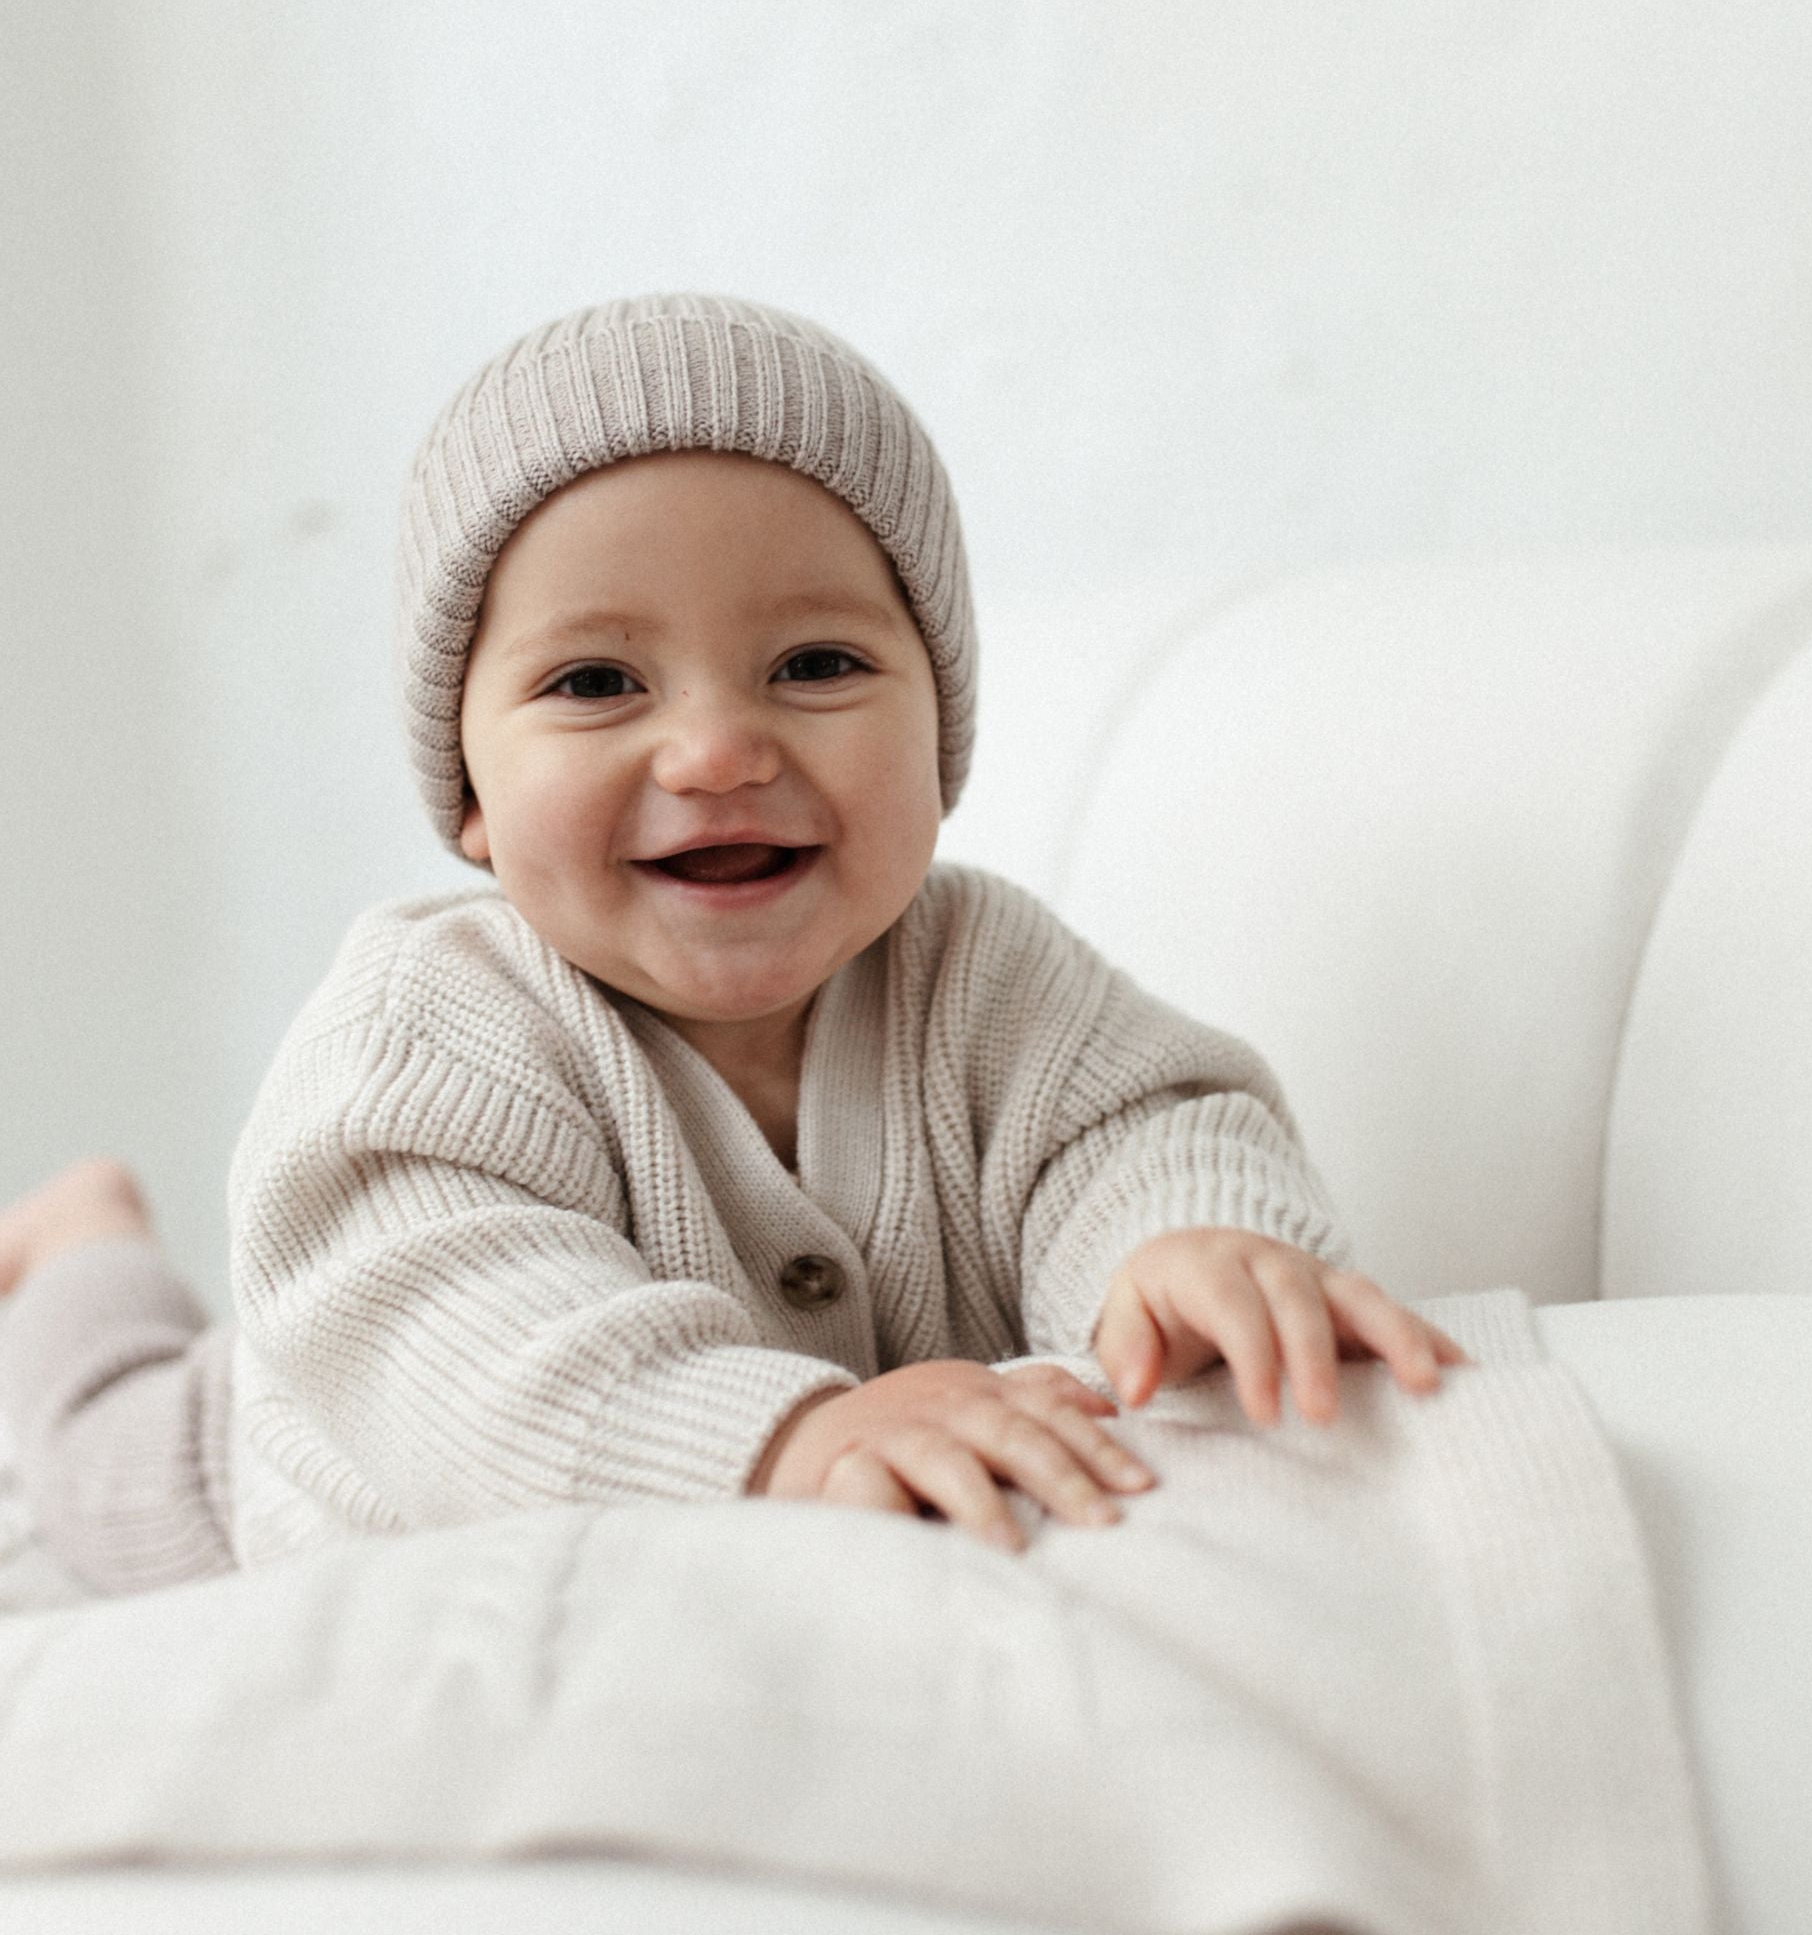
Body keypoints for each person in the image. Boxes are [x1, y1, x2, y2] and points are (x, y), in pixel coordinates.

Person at [0, 293, 1466, 1596]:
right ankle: (82, 1237)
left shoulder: (986, 970)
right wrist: (782, 1433)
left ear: (939, 734)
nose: (713, 749)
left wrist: (1188, 1248)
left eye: (815, 664)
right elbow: (470, 1349)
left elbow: (1129, 1127)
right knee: (98, 1446)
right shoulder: (428, 1029)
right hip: (289, 1455)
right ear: (470, 798)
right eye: (595, 682)